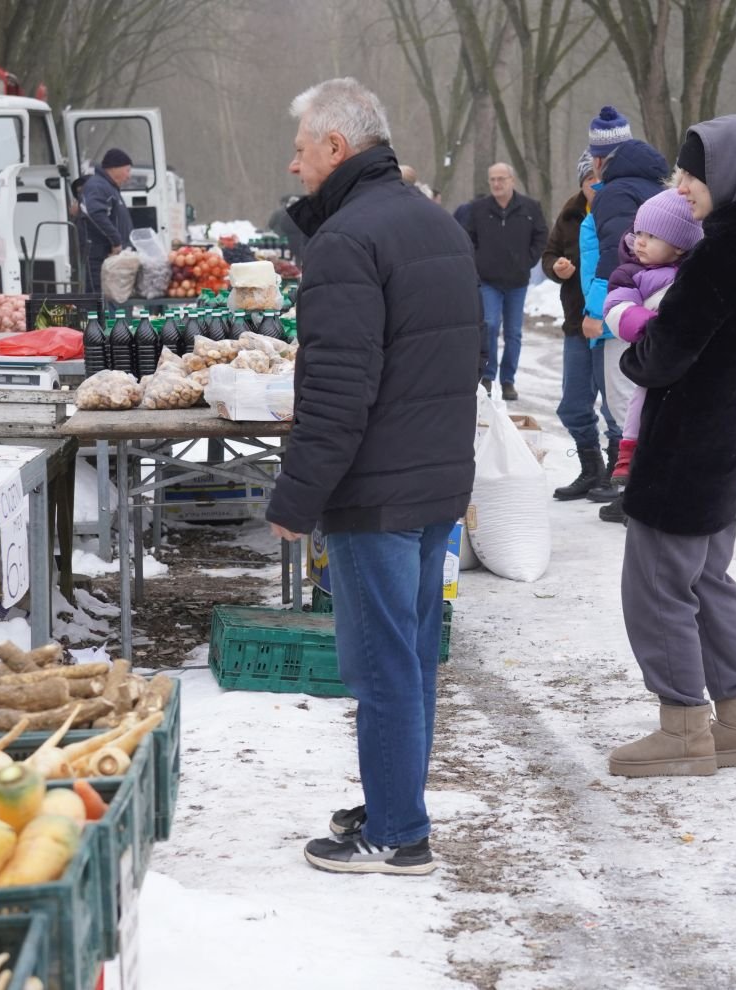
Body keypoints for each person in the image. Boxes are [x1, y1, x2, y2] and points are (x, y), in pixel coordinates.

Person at [266, 77, 480, 875]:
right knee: (411, 657)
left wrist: (296, 497)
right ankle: (397, 805)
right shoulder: (434, 223)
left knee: (384, 664)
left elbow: (336, 390)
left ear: (335, 147)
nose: (293, 168)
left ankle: (397, 834)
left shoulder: (346, 242)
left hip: (377, 489)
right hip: (430, 483)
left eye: (299, 151)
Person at [608, 114, 736, 778]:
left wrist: (635, 349)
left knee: (657, 588)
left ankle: (682, 730)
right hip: (729, 442)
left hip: (683, 447)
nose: (682, 187)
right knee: (709, 581)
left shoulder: (722, 252)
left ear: (726, 176)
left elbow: (664, 354)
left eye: (692, 174)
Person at [595, 188, 703, 523]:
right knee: (637, 405)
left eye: (651, 236)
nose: (639, 241)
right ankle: (628, 454)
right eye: (638, 232)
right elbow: (616, 310)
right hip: (654, 360)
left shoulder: (695, 273)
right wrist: (654, 329)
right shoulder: (629, 272)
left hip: (694, 369)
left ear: (679, 245)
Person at [578, 108, 669, 504]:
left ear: (600, 159)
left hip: (626, 311)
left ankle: (640, 495)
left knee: (625, 403)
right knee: (648, 399)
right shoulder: (656, 187)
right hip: (658, 305)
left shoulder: (614, 193)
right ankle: (648, 490)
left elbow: (617, 257)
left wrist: (598, 312)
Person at [546, 150, 620, 500]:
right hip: (576, 322)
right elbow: (548, 255)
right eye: (589, 180)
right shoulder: (570, 214)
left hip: (610, 326)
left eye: (599, 178)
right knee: (573, 404)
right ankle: (591, 469)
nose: (595, 185)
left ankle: (616, 472)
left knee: (615, 406)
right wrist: (556, 268)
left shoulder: (620, 212)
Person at [463, 162, 548, 400]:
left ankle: (508, 380)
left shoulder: (530, 208)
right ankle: (488, 376)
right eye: (493, 180)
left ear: (512, 180)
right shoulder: (478, 209)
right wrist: (478, 262)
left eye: (502, 179)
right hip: (488, 280)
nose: (497, 184)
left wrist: (527, 260)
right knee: (489, 325)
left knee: (513, 333)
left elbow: (541, 236)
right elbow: (467, 238)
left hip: (517, 281)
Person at [79, 148, 136, 295]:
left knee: (110, 299)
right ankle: (95, 319)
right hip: (99, 255)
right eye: (127, 170)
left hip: (110, 257)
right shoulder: (98, 186)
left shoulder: (110, 187)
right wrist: (116, 241)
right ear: (115, 168)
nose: (129, 176)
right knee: (98, 297)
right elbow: (95, 213)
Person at [267, 194, 308, 258]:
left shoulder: (279, 212)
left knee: (284, 256)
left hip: (280, 238)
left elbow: (271, 224)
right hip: (297, 240)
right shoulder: (302, 213)